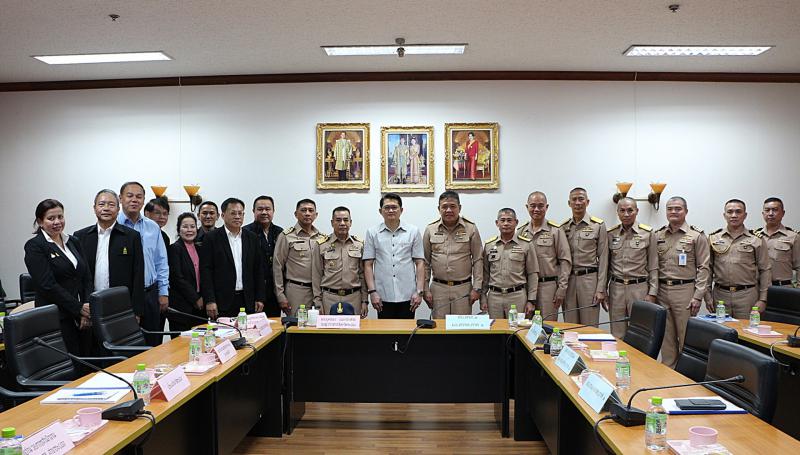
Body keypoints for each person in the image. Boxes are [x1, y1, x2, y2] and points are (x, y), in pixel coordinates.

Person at [24, 199, 91, 355]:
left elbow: (86, 277)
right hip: (56, 316)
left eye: (60, 217)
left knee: (87, 358)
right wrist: (78, 308)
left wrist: (87, 307)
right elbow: (47, 285)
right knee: (67, 361)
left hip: (82, 314)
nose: (57, 222)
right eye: (51, 218)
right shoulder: (35, 246)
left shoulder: (73, 241)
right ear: (40, 222)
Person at [73, 189, 145, 321]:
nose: (106, 208)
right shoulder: (80, 237)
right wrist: (81, 309)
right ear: (94, 208)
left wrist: (136, 311)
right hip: (90, 305)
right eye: (101, 204)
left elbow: (138, 275)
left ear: (118, 209)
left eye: (111, 205)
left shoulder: (131, 236)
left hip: (122, 304)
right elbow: (78, 277)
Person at [655, 196, 710, 368]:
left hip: (685, 291)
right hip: (662, 290)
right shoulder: (658, 235)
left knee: (686, 336)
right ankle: (668, 372)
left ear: (686, 211)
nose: (673, 212)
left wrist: (698, 296)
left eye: (678, 208)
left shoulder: (696, 235)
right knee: (666, 338)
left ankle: (687, 373)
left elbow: (704, 267)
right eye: (670, 209)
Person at [117, 181, 170, 346]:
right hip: (123, 296)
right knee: (125, 344)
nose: (134, 200)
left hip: (149, 293)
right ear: (120, 198)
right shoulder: (114, 226)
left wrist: (163, 292)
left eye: (139, 196)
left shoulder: (152, 227)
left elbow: (161, 262)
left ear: (143, 200)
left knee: (153, 343)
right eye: (130, 196)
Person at [363, 193, 425, 319]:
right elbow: (368, 265)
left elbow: (420, 263)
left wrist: (419, 292)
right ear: (380, 211)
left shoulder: (413, 231)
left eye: (394, 207)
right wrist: (372, 292)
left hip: (408, 296)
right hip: (382, 296)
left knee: (407, 330)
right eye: (387, 207)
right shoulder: (372, 233)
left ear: (401, 210)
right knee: (385, 330)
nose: (390, 210)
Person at [201, 198, 265, 319]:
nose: (237, 217)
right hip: (222, 301)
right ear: (223, 215)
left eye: (240, 213)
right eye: (233, 213)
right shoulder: (211, 238)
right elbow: (206, 271)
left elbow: (258, 270)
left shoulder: (252, 238)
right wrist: (210, 300)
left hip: (248, 299)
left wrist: (260, 297)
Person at [706, 199, 771, 318]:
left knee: (747, 328)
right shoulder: (713, 238)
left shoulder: (756, 239)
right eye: (730, 212)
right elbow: (707, 269)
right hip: (720, 296)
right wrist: (707, 295)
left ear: (745, 215)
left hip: (747, 296)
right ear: (724, 215)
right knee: (721, 328)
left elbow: (765, 270)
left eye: (738, 212)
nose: (734, 215)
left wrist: (763, 299)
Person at [422, 191, 483, 318]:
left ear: (459, 208)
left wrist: (477, 287)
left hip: (463, 288)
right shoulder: (430, 229)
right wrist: (425, 289)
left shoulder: (471, 228)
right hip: (438, 288)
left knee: (461, 326)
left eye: (453, 206)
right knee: (439, 327)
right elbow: (425, 262)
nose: (448, 210)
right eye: (444, 206)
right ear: (439, 209)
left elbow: (478, 259)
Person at [606, 198, 658, 339]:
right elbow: (606, 265)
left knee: (640, 333)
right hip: (616, 288)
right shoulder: (611, 234)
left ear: (637, 211)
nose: (626, 214)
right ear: (617, 212)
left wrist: (652, 292)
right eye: (622, 210)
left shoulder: (648, 233)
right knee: (617, 333)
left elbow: (653, 265)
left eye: (630, 210)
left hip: (639, 288)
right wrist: (603, 290)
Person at [517, 191, 572, 320]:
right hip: (526, 287)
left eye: (540, 206)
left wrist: (562, 288)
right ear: (527, 207)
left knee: (548, 325)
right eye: (533, 206)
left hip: (548, 287)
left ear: (546, 207)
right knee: (525, 326)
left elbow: (565, 261)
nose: (536, 209)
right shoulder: (521, 232)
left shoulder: (555, 231)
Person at [481, 208, 539, 319]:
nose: (506, 223)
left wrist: (531, 300)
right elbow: (485, 274)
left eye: (509, 220)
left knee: (516, 327)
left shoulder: (526, 244)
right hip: (494, 297)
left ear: (516, 222)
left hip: (517, 296)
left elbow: (533, 273)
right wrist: (483, 296)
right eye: (502, 220)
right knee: (496, 328)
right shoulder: (489, 245)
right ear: (497, 223)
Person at [561, 188, 608, 324]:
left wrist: (600, 289)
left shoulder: (598, 225)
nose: (577, 203)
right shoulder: (563, 227)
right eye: (574, 199)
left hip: (589, 281)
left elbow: (604, 259)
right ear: (569, 203)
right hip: (569, 281)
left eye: (581, 199)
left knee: (590, 325)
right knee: (569, 325)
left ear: (587, 202)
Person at [273, 199, 327, 316]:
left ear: (316, 215)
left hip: (319, 292)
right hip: (296, 291)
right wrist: (280, 294)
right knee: (297, 324)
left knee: (319, 325)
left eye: (311, 210)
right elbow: (277, 266)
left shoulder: (322, 238)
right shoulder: (286, 236)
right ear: (296, 214)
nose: (307, 213)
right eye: (303, 210)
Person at [312, 207, 368, 317]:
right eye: (338, 220)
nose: (342, 223)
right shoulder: (321, 245)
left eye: (346, 220)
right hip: (329, 298)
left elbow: (362, 275)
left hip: (354, 298)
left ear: (350, 222)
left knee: (353, 328)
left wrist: (364, 301)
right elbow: (316, 275)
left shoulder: (359, 245)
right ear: (332, 223)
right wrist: (318, 302)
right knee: (329, 328)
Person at [243, 196, 283, 317]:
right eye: (260, 209)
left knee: (274, 324)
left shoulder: (280, 232)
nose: (264, 212)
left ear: (273, 211)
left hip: (274, 290)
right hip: (253, 291)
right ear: (253, 211)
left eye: (268, 209)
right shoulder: (245, 233)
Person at [167, 213, 204, 333]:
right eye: (185, 226)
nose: (189, 230)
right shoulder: (174, 248)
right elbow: (177, 278)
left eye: (192, 226)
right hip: (181, 307)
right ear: (179, 229)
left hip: (199, 307)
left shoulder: (200, 248)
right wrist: (195, 298)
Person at [755, 197, 799, 288]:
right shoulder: (754, 237)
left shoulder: (794, 237)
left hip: (783, 288)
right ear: (763, 214)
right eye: (767, 210)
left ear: (783, 213)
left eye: (775, 210)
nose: (770, 213)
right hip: (758, 288)